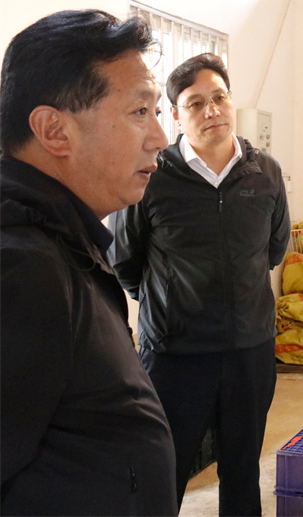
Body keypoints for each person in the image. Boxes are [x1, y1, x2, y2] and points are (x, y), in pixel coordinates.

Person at [0, 9, 177, 516]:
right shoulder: (21, 269)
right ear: (54, 131)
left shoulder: (62, 237)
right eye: (139, 111)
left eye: (156, 111)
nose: (160, 138)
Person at [108, 52, 290, 515]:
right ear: (175, 114)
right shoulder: (151, 174)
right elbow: (124, 260)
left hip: (249, 350)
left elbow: (273, 250)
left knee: (242, 469)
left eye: (219, 98)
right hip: (176, 355)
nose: (211, 111)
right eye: (195, 103)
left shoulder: (265, 172)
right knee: (163, 469)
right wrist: (170, 305)